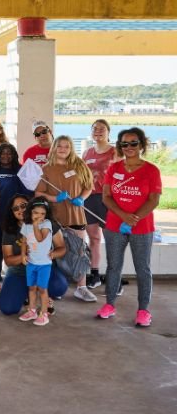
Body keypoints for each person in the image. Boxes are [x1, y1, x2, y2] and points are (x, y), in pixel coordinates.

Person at [97, 127, 162, 327]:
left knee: (143, 268)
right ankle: (109, 305)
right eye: (124, 144)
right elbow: (106, 197)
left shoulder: (151, 170)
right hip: (115, 226)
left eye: (133, 143)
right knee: (113, 266)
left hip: (142, 228)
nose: (129, 147)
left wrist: (134, 219)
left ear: (141, 145)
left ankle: (143, 310)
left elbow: (154, 200)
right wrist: (123, 216)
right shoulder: (114, 169)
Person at [35, 135, 96, 302]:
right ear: (54, 148)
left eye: (66, 146)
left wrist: (82, 198)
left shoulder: (79, 165)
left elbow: (89, 186)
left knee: (79, 252)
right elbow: (38, 194)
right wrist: (55, 199)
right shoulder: (46, 169)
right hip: (55, 218)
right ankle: (52, 287)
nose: (63, 149)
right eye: (60, 146)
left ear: (71, 149)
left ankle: (81, 288)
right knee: (54, 253)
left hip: (76, 215)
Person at [0, 194, 68, 316]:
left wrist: (51, 254)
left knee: (59, 286)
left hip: (43, 267)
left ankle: (41, 295)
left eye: (23, 205)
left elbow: (62, 248)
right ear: (12, 212)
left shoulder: (48, 223)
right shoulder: (10, 230)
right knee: (7, 308)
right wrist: (25, 255)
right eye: (15, 208)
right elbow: (8, 261)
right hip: (19, 272)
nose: (20, 210)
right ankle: (30, 296)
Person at [0, 143, 29, 292]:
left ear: (14, 155)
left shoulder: (20, 171)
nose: (5, 156)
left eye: (9, 153)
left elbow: (27, 195)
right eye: (2, 153)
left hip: (14, 219)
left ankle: (20, 279)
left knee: (17, 249)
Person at [82, 119, 117, 289]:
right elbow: (81, 176)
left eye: (102, 128)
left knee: (112, 239)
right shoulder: (87, 153)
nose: (98, 131)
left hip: (109, 199)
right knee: (94, 238)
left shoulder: (115, 152)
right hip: (90, 199)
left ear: (108, 132)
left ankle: (114, 277)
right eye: (94, 128)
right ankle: (94, 275)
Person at [18, 197, 54, 326]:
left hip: (44, 264)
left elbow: (39, 239)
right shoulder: (26, 225)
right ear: (30, 212)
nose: (39, 216)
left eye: (42, 213)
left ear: (47, 214)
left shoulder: (46, 224)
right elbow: (24, 241)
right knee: (31, 288)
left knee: (42, 289)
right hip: (31, 263)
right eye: (36, 213)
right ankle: (32, 310)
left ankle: (44, 314)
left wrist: (35, 225)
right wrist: (23, 255)